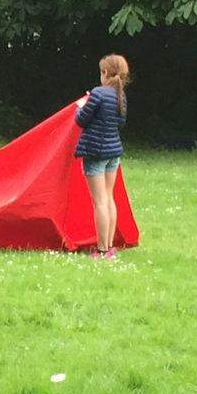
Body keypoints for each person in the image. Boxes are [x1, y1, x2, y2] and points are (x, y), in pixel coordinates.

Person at [74, 53, 130, 260]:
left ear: (105, 73)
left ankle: (101, 250)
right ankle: (109, 247)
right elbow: (121, 122)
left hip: (95, 153)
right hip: (113, 152)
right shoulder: (120, 95)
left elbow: (81, 120)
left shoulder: (97, 93)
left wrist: (81, 105)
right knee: (108, 198)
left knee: (99, 202)